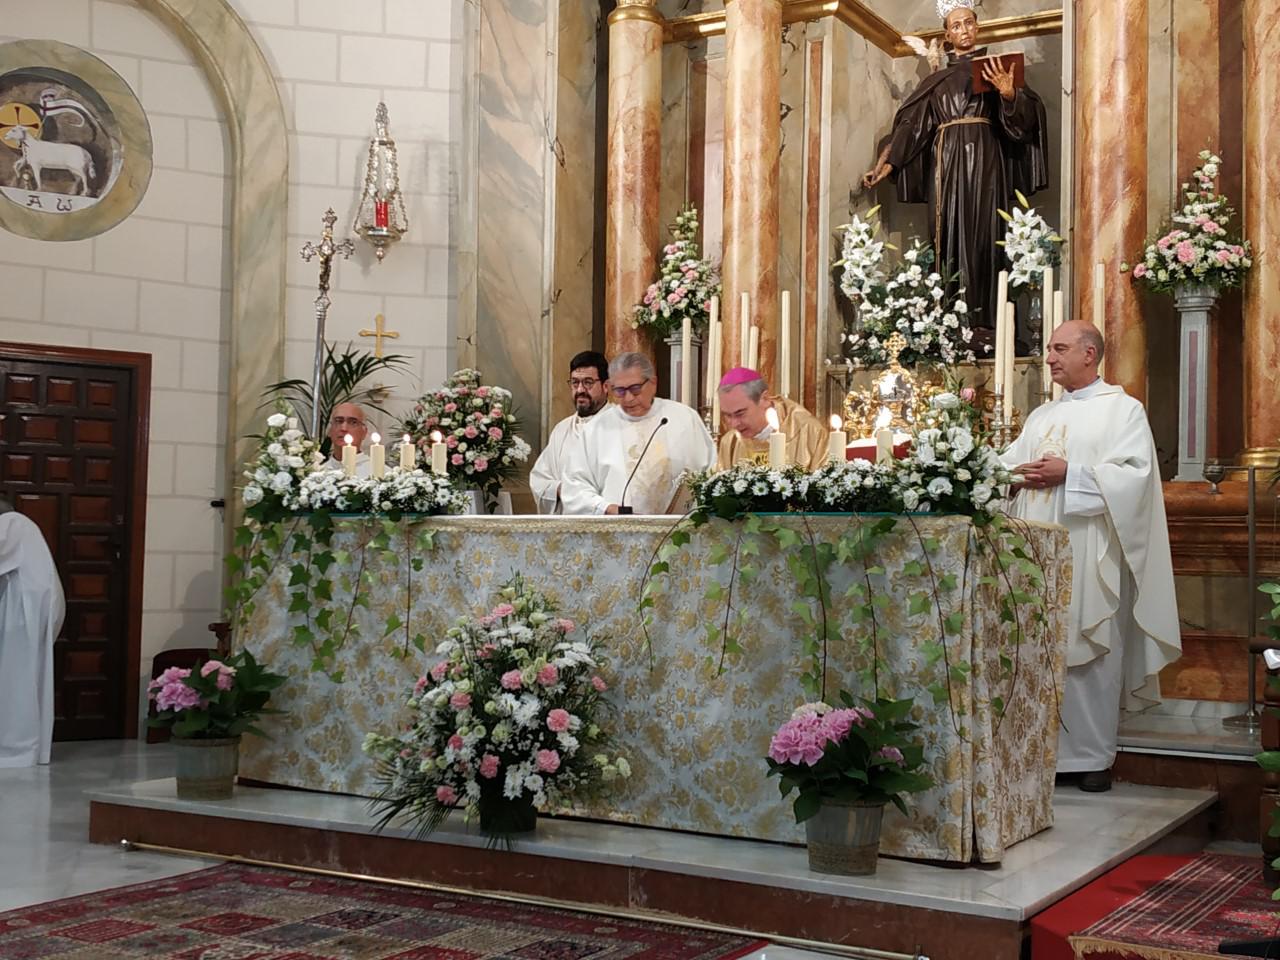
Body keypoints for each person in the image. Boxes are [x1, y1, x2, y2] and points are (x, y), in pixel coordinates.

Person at [1000, 320, 1181, 793]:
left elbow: (1136, 478)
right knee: (1039, 651)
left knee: (1089, 646)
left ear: (1090, 353)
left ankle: (1093, 757)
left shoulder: (1122, 411)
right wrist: (1011, 474)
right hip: (1033, 551)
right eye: (1049, 349)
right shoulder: (1041, 416)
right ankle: (1039, 752)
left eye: (1060, 348)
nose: (1050, 358)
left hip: (1088, 549)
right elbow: (1009, 464)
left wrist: (1071, 474)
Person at [862, 0, 1049, 337]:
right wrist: (886, 164)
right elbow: (912, 127)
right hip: (946, 166)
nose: (964, 30)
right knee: (947, 234)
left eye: (969, 23)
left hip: (987, 162)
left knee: (986, 235)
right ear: (947, 35)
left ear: (977, 27)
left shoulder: (996, 70)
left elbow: (1027, 120)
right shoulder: (939, 80)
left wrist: (1008, 95)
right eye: (957, 25)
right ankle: (949, 323)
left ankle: (988, 324)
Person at [561, 352, 715, 515]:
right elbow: (574, 487)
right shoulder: (597, 429)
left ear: (653, 383)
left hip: (679, 531)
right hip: (621, 533)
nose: (628, 398)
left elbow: (710, 471)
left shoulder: (683, 418)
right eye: (619, 390)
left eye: (635, 389)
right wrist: (606, 508)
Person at [0, 498, 65, 767]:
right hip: (28, 608)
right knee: (24, 675)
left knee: (17, 678)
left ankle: (16, 748)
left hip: (24, 611)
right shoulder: (25, 526)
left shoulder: (12, 523)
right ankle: (29, 747)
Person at [529, 351, 611, 514]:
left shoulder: (619, 427)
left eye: (588, 382)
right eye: (575, 383)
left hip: (604, 525)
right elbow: (539, 480)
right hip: (566, 527)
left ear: (606, 386)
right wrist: (562, 489)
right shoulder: (562, 429)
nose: (580, 389)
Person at [716, 368, 830, 471]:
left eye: (740, 413)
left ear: (764, 399)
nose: (734, 424)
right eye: (727, 415)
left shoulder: (810, 432)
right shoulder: (730, 441)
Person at [325, 402, 372, 478]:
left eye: (353, 422)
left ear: (364, 432)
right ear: (330, 430)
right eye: (338, 421)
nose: (344, 428)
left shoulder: (381, 474)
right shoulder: (318, 472)